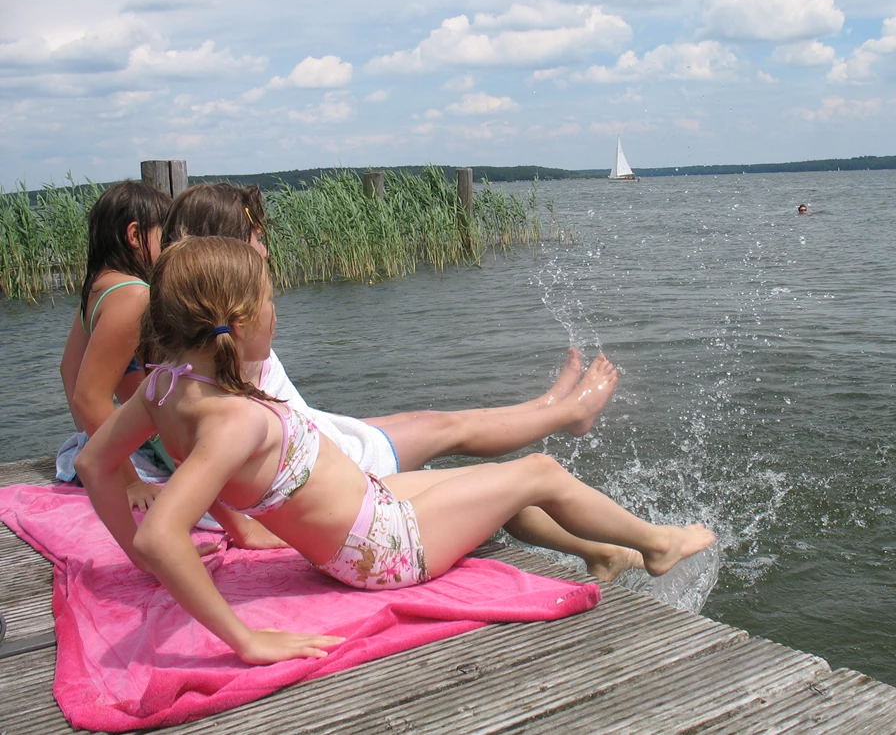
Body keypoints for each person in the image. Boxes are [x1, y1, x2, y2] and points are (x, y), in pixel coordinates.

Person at [75, 237, 717, 665]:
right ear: (238, 322)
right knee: (537, 470)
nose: (277, 310)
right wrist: (244, 639)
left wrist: (145, 568)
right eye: (271, 299)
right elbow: (165, 533)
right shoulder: (232, 422)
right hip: (382, 549)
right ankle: (656, 546)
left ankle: (599, 553)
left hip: (361, 517)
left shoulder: (165, 387)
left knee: (479, 481)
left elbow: (93, 464)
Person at [162, 183, 644, 581]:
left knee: (440, 426)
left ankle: (550, 405)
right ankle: (565, 412)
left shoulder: (188, 356)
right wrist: (246, 527)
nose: (265, 248)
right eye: (256, 237)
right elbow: (218, 453)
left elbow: (193, 446)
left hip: (316, 442)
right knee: (449, 430)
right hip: (334, 474)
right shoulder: (232, 346)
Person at [59, 181, 172, 511]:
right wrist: (130, 480)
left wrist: (90, 438)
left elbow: (69, 370)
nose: (169, 248)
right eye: (163, 238)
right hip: (163, 439)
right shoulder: (133, 295)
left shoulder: (98, 289)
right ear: (135, 236)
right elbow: (89, 396)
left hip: (143, 437)